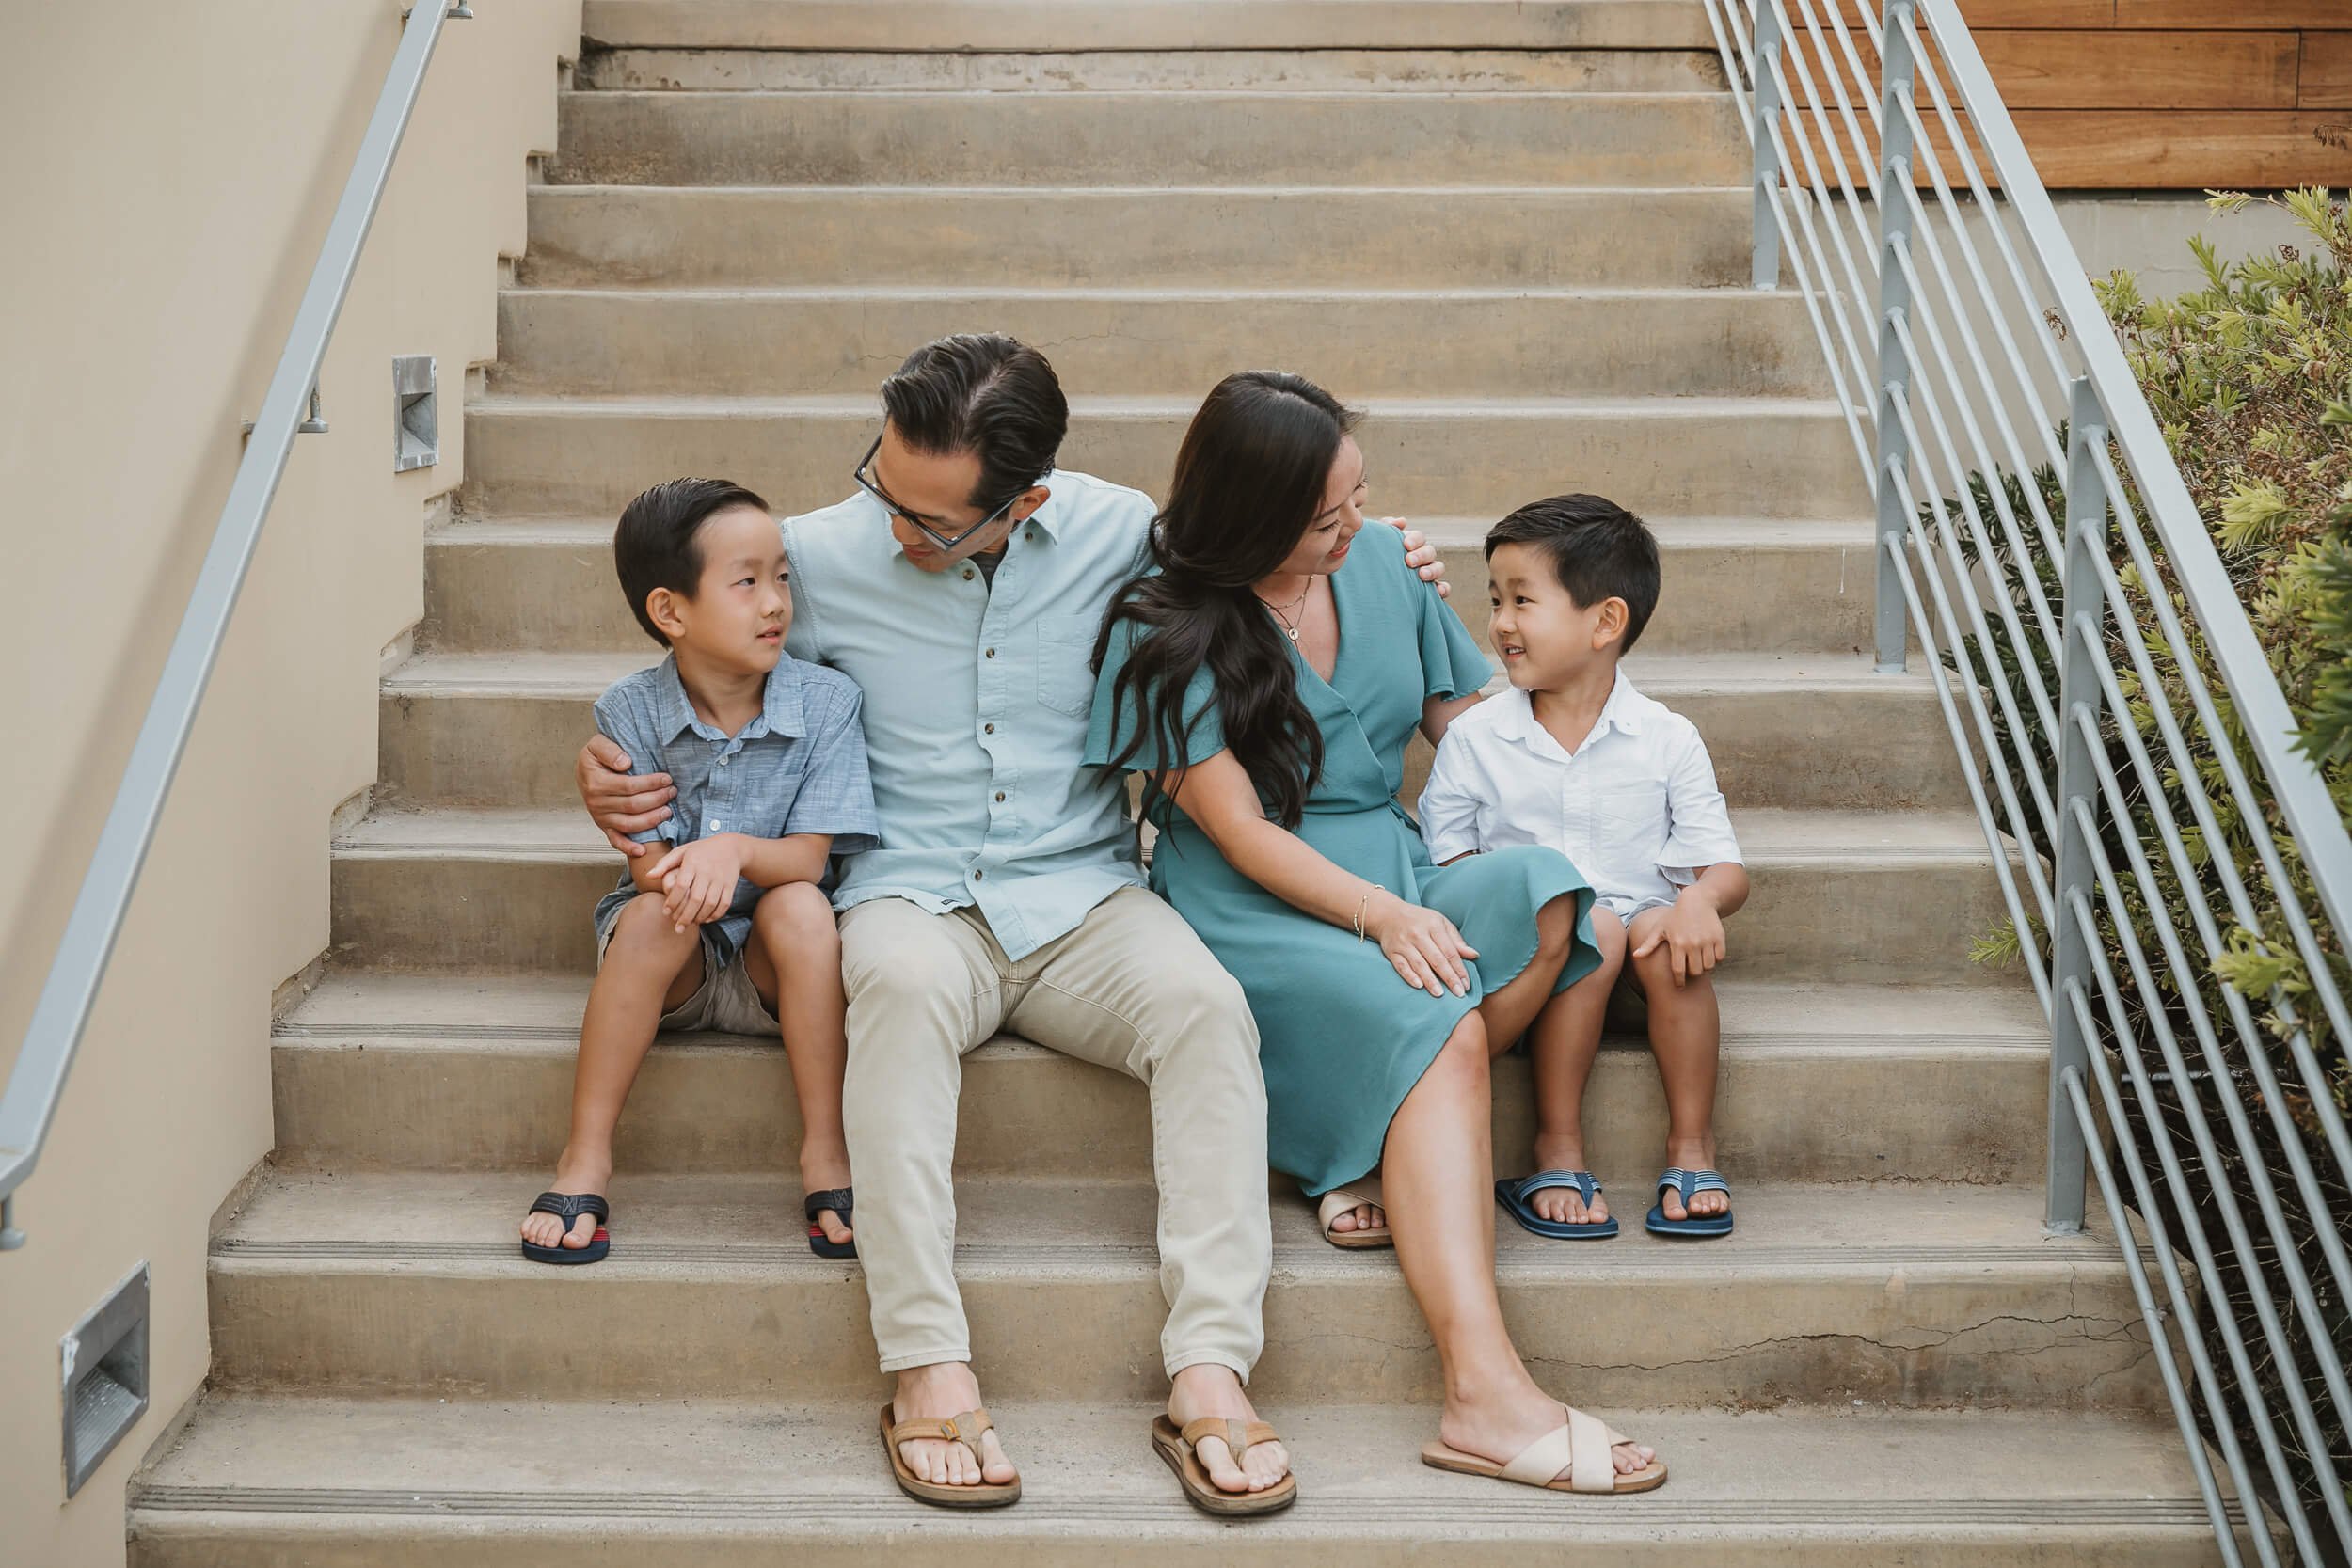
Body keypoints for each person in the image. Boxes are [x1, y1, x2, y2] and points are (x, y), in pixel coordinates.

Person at [573, 335, 1453, 1513]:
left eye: (925, 518)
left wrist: (1394, 561)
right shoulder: (822, 554)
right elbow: (703, 669)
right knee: (888, 986)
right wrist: (615, 778)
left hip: (1085, 892)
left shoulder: (1120, 531)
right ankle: (927, 1363)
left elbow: (1266, 549)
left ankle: (1209, 1370)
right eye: (881, 482)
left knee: (1204, 1010)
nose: (887, 522)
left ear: (1025, 499)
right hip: (911, 893)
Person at [1088, 372, 1668, 1496]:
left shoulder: (1381, 568)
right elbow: (1241, 831)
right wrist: (1384, 914)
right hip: (1258, 897)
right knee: (1441, 1021)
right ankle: (1483, 1392)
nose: (1351, 525)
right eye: (1322, 515)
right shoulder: (1163, 622)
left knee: (1558, 899)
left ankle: (1358, 1143)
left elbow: (1470, 722)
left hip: (1397, 855)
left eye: (1358, 497)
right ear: (1253, 513)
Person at [522, 478, 878, 1266]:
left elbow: (813, 858)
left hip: (773, 965)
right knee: (652, 915)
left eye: (782, 576)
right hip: (673, 957)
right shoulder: (629, 711)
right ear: (670, 612)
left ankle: (826, 1149)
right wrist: (691, 873)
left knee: (802, 905)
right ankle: (585, 1157)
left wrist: (738, 850)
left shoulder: (825, 703)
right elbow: (649, 869)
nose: (776, 601)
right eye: (746, 581)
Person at [1418, 495, 1750, 1242]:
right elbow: (1448, 862)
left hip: (1642, 953)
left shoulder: (1665, 737)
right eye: (1495, 599)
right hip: (1532, 957)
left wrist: (1699, 902)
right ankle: (1556, 1146)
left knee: (1662, 929)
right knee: (1588, 921)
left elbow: (1722, 864)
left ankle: (1692, 1145)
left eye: (1523, 600)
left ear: (1604, 622)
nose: (1501, 621)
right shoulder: (1475, 737)